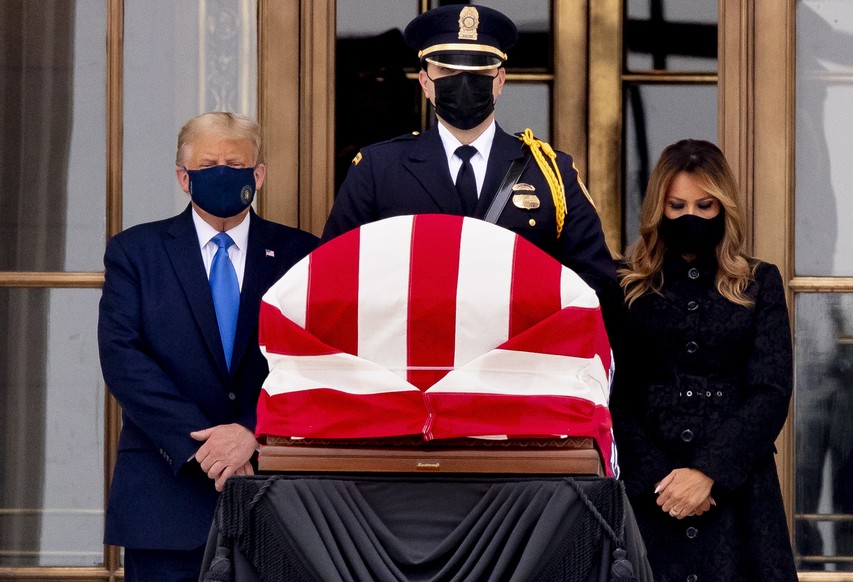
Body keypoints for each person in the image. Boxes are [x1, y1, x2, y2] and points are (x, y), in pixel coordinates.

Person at [97, 112, 318, 581]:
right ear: (183, 177)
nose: (223, 172)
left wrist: (250, 432)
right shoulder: (136, 252)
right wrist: (204, 444)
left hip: (273, 492)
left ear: (258, 174)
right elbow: (123, 360)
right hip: (165, 494)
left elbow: (313, 360)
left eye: (236, 163)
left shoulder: (302, 254)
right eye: (210, 163)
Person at [321, 4, 621, 327]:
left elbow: (598, 286)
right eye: (448, 71)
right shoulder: (378, 171)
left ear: (500, 79)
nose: (464, 81)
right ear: (425, 82)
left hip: (516, 366)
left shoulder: (552, 175)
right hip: (412, 368)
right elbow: (330, 280)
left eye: (478, 70)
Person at [610, 139, 797, 581]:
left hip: (738, 495)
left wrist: (708, 471)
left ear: (723, 208)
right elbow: (607, 389)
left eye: (704, 205)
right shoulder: (622, 286)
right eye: (677, 205)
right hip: (646, 493)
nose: (690, 216)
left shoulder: (758, 281)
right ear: (659, 209)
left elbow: (771, 389)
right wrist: (663, 482)